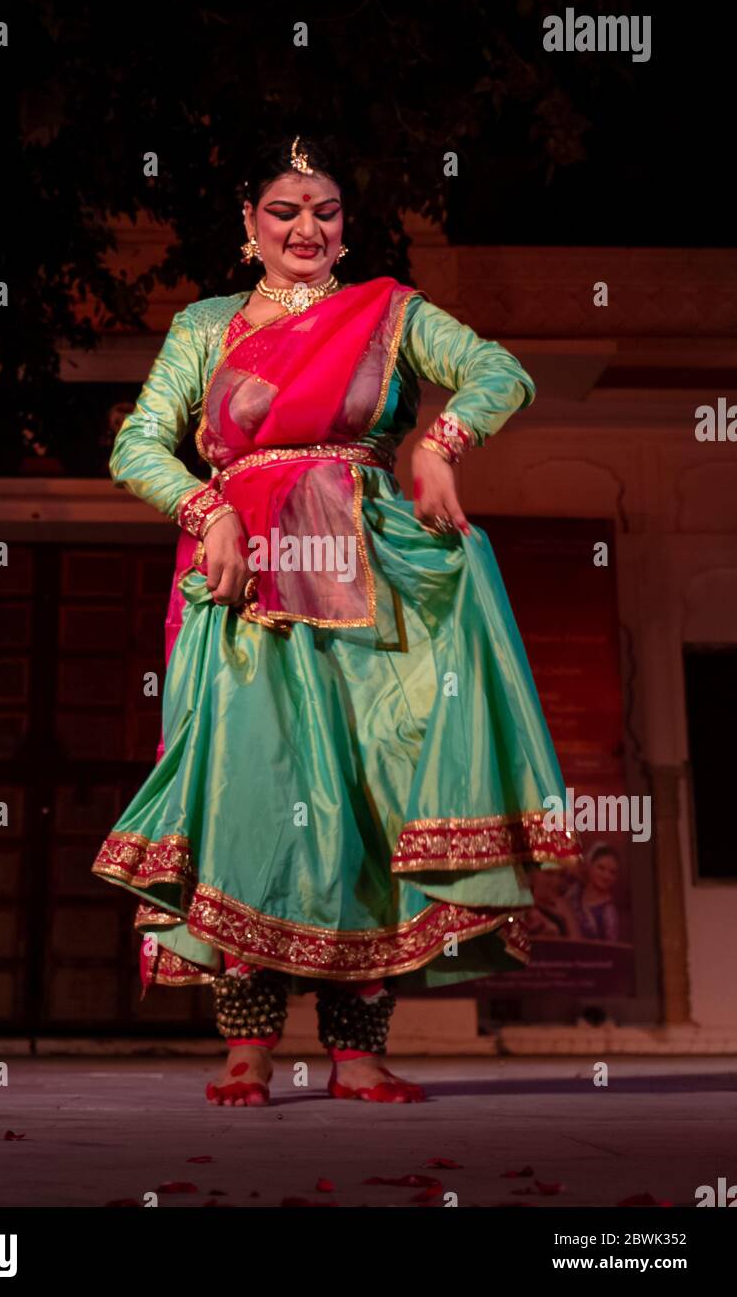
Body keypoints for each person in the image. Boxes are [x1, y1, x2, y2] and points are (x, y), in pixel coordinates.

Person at [92, 135, 580, 1106]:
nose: (305, 228)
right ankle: (247, 1049)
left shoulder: (389, 314)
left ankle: (357, 1052)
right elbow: (137, 446)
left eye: (323, 212)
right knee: (248, 799)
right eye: (283, 210)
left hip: (371, 576)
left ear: (343, 229)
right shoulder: (206, 326)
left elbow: (497, 372)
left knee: (369, 801)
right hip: (244, 584)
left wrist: (441, 440)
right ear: (248, 226)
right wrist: (209, 508)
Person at [564, 843, 620, 942]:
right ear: (590, 866)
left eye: (612, 872)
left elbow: (610, 951)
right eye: (601, 868)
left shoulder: (609, 913)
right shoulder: (575, 890)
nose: (606, 876)